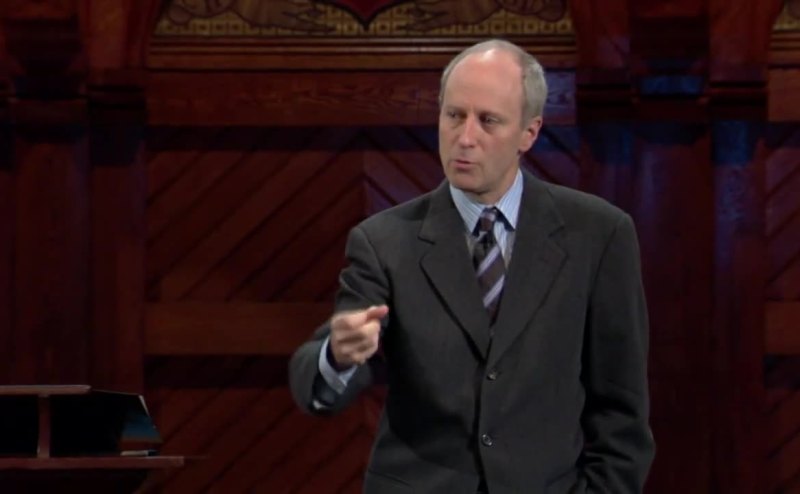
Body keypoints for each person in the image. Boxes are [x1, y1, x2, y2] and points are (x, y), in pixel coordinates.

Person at [289, 38, 654, 493]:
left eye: (488, 121)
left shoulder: (598, 234)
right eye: (454, 115)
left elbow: (621, 409)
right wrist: (338, 356)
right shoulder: (383, 241)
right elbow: (317, 385)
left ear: (529, 132)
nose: (465, 138)